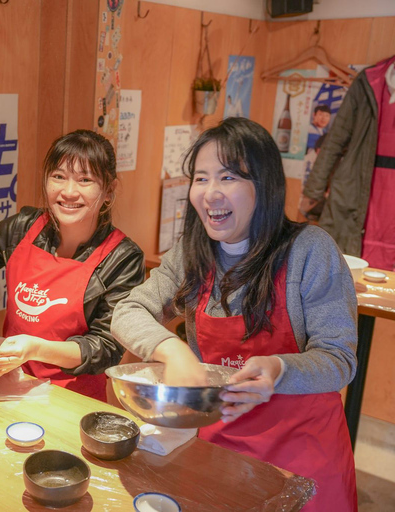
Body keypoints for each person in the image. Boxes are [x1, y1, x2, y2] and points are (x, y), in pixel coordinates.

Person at [111, 117, 357, 511]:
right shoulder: (192, 254)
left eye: (228, 178)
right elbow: (128, 309)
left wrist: (279, 369)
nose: (210, 194)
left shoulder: (310, 251)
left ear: (264, 185)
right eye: (201, 178)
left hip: (301, 455)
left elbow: (339, 359)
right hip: (218, 444)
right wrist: (172, 350)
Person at [0, 129, 144, 402]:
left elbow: (104, 348)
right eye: (58, 177)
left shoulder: (122, 258)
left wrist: (34, 349)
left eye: (85, 180)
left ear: (108, 190)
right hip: (5, 384)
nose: (69, 192)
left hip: (73, 401)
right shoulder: (23, 227)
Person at [301, 55, 395, 270]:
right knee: (347, 266)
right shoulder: (370, 81)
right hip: (359, 180)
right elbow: (336, 138)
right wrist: (314, 190)